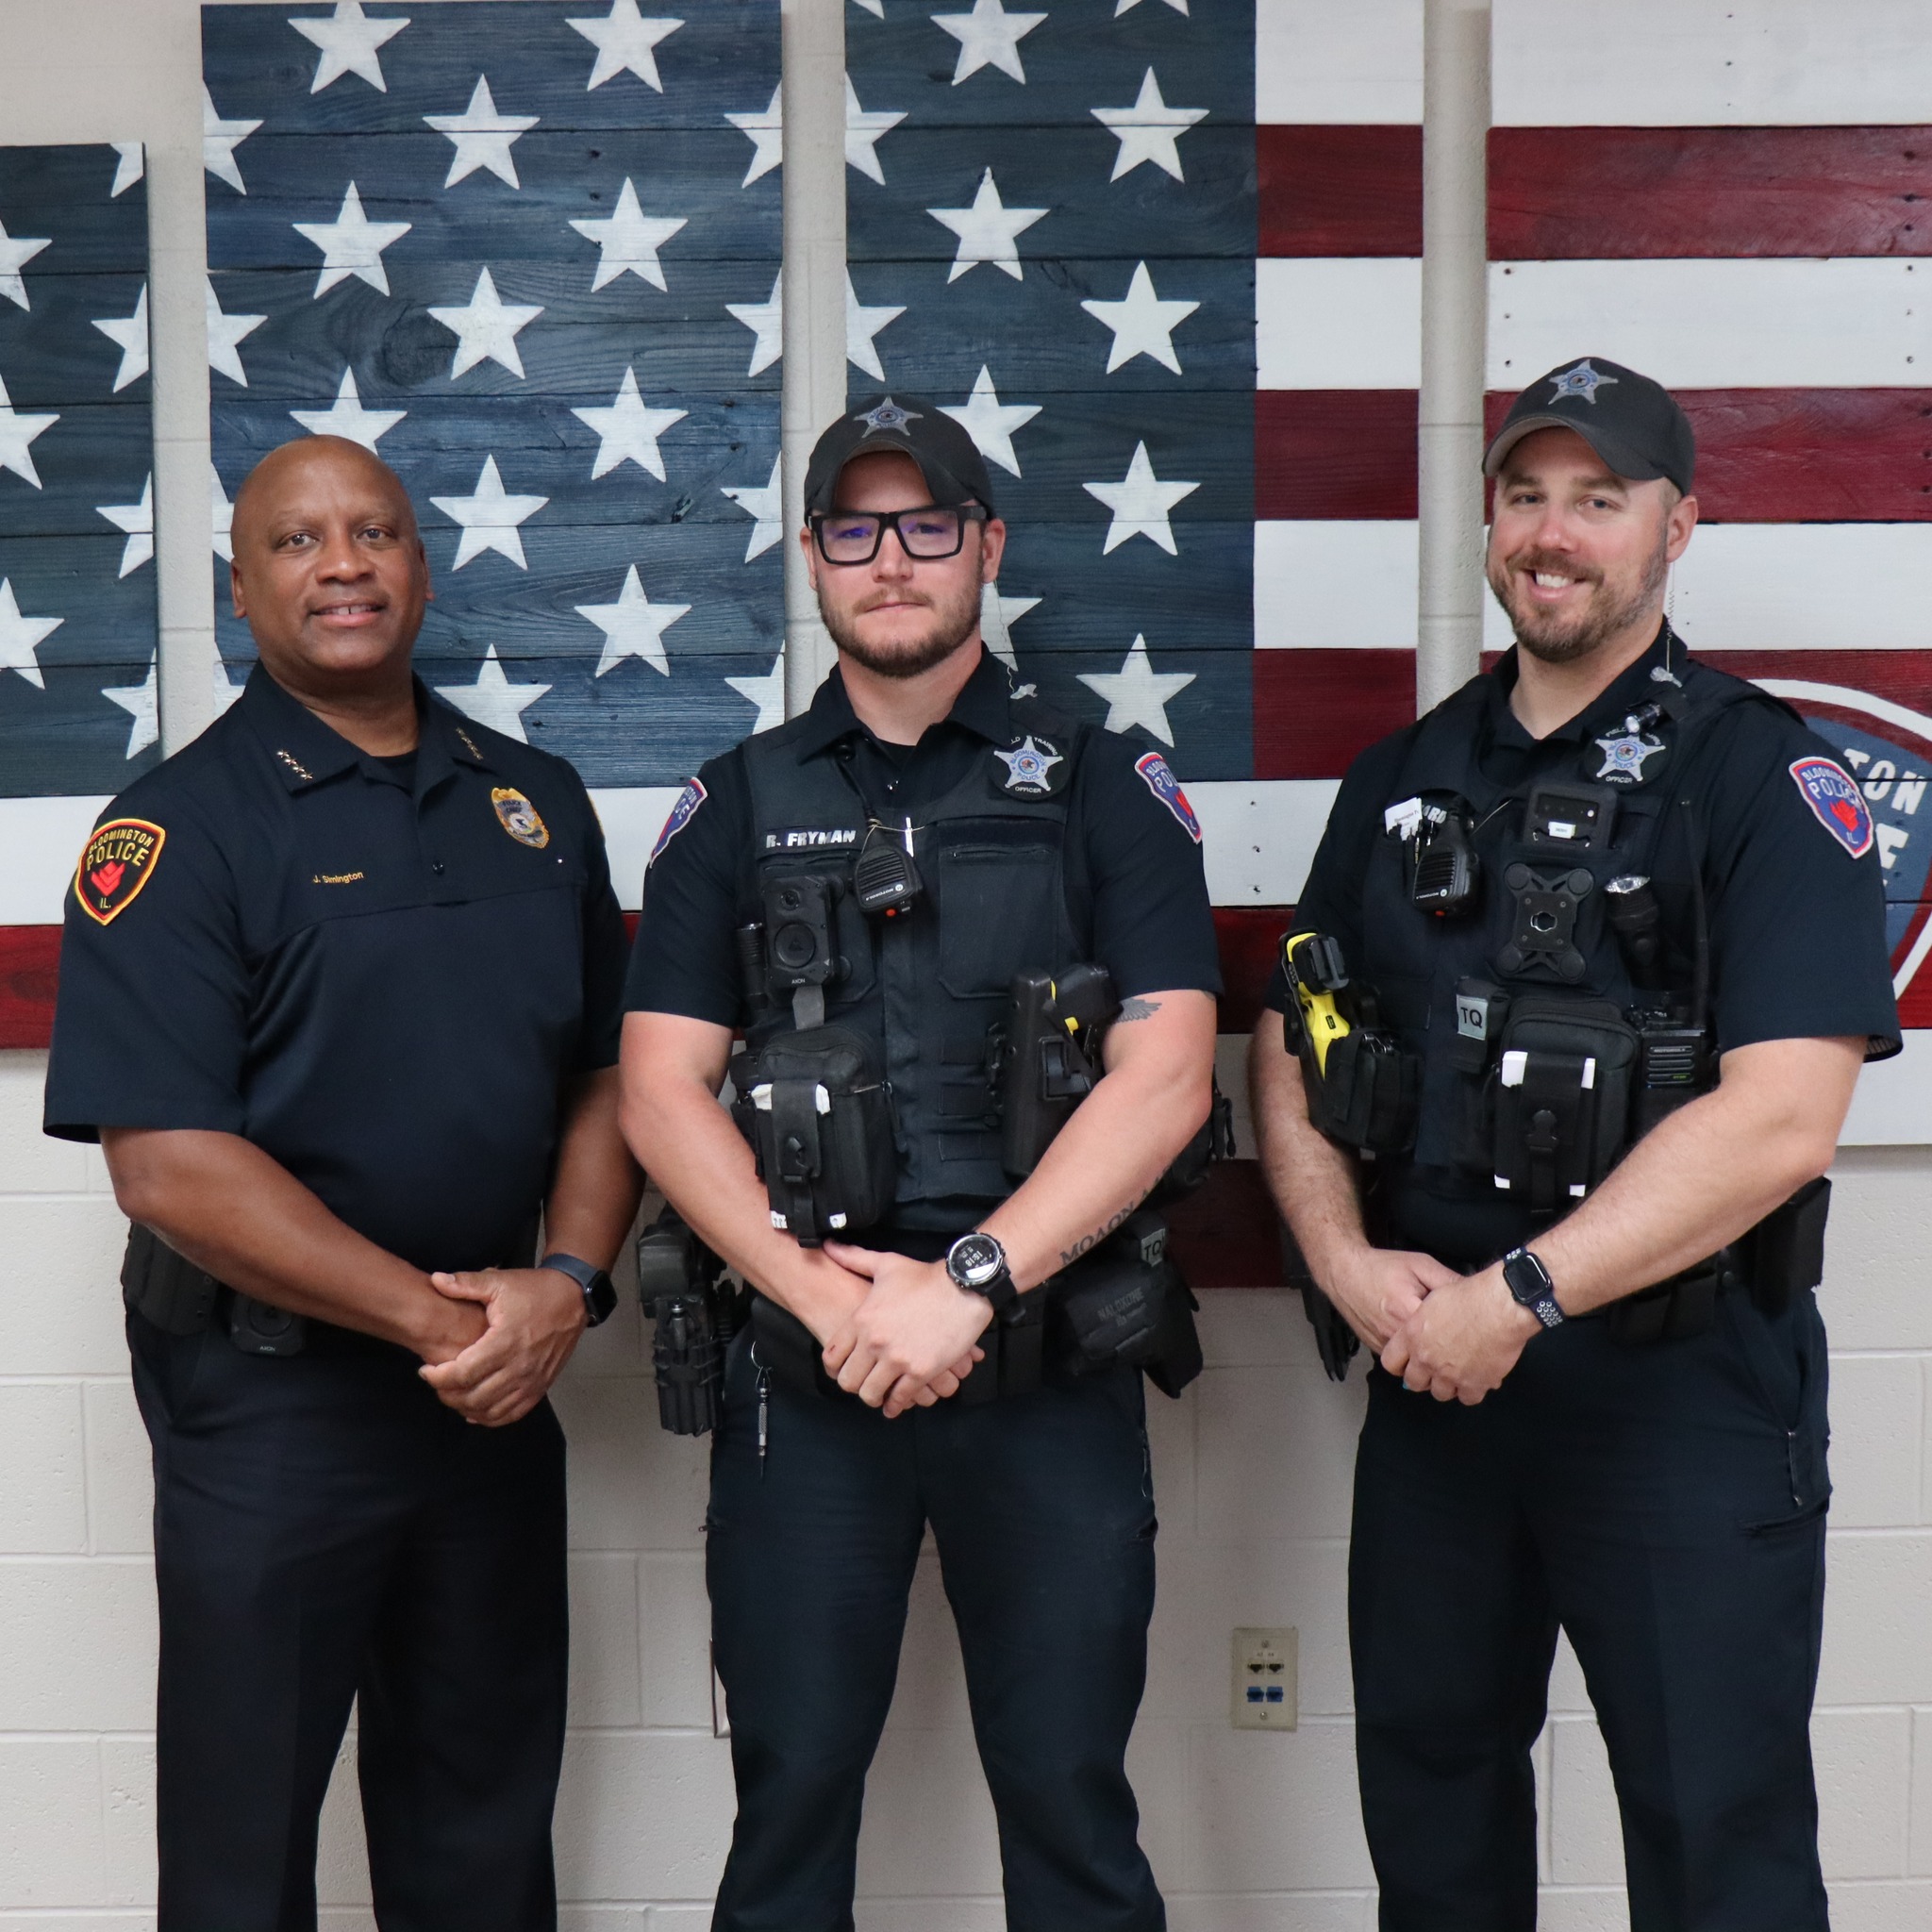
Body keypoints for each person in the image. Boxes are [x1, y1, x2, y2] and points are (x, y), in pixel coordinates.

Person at [1250, 357, 1900, 1931]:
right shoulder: (1402, 782)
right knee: (1435, 1808)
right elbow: (1297, 1032)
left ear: (1678, 526)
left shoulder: (1762, 775)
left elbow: (1786, 1113)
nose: (1554, 534)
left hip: (1676, 1395)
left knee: (1715, 1831)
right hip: (1435, 1388)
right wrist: (1344, 1263)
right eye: (1527, 496)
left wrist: (1519, 1297)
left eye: (1599, 499)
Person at [621, 395, 1222, 1931]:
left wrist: (968, 1283)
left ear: (986, 546)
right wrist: (827, 1308)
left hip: (1041, 1366)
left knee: (1073, 1801)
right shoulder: (736, 802)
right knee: (792, 1802)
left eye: (927, 525)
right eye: (853, 528)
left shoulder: (1103, 782)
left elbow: (1163, 1080)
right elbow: (658, 1090)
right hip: (809, 1377)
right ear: (812, 557)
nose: (891, 560)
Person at [43, 436, 641, 1931]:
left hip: (494, 1391)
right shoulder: (176, 828)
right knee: (247, 1852)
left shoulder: (537, 802)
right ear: (241, 588)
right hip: (276, 1402)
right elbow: (170, 1166)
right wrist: (445, 1326)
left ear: (422, 567)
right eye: (299, 541)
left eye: (374, 532)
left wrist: (562, 1288)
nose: (344, 565)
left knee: (484, 1837)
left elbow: (602, 1080)